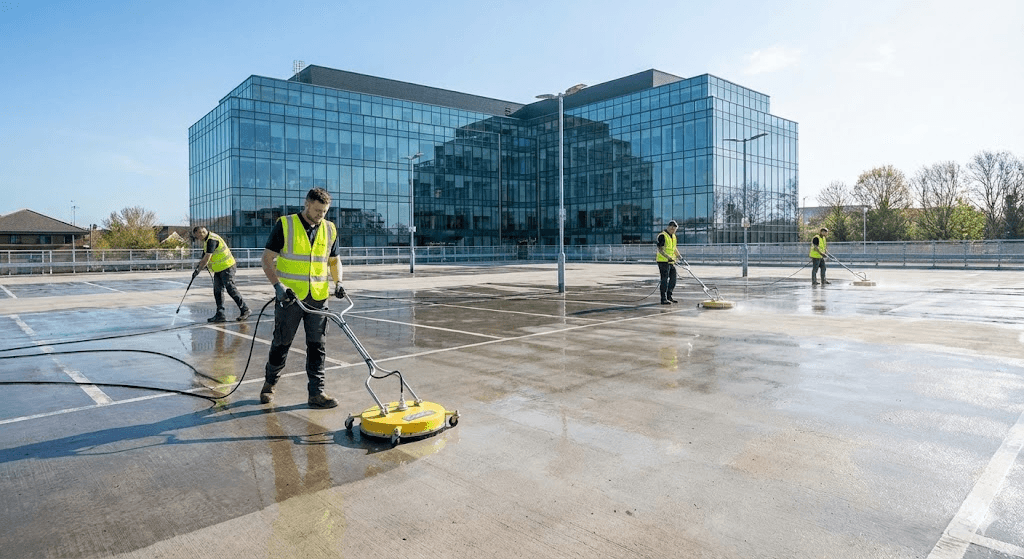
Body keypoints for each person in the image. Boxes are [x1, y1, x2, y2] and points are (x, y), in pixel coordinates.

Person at [259, 187, 345, 409]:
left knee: (318, 346)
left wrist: (339, 282)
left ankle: (317, 393)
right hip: (290, 298)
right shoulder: (286, 224)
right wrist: (278, 286)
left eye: (324, 211)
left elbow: (334, 260)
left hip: (318, 297)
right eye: (317, 210)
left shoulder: (329, 229)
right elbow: (267, 259)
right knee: (282, 342)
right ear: (307, 204)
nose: (321, 215)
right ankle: (269, 385)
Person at [191, 226, 251, 323]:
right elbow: (204, 256)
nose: (198, 238)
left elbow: (206, 258)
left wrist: (198, 270)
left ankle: (245, 309)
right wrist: (201, 265)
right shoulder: (207, 241)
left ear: (201, 233)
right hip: (219, 268)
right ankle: (220, 314)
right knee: (217, 290)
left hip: (227, 266)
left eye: (197, 236)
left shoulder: (212, 240)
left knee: (230, 288)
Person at [656, 220, 683, 305]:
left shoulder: (674, 237)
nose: (673, 231)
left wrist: (679, 256)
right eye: (672, 229)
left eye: (675, 230)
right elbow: (660, 249)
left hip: (671, 262)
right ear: (669, 227)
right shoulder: (662, 236)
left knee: (673, 279)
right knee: (664, 279)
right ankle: (663, 298)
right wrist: (668, 257)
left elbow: (674, 248)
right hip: (663, 261)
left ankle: (669, 296)